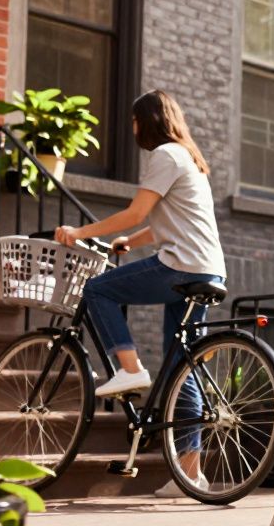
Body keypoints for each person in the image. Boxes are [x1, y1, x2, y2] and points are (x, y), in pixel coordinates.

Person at [53, 89, 226, 498]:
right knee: (181, 368)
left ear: (145, 121)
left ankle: (128, 369)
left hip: (180, 266)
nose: (132, 128)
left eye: (133, 120)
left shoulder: (164, 155)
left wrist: (79, 232)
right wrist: (132, 240)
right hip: (206, 268)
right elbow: (172, 220)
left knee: (97, 289)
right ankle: (191, 474)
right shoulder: (190, 159)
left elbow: (135, 210)